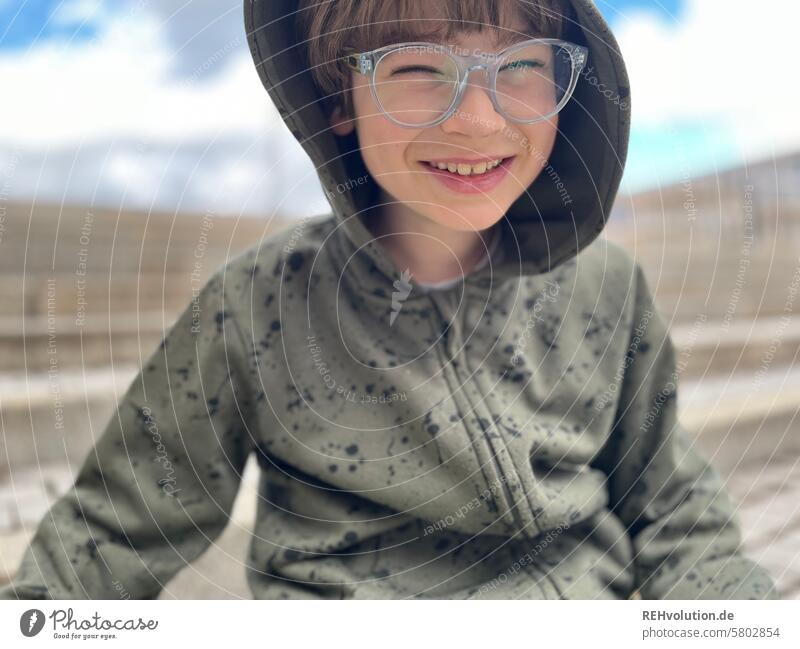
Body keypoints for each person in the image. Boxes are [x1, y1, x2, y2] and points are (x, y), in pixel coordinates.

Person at [1, 0, 778, 600]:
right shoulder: (256, 302)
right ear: (339, 100)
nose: (478, 120)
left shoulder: (610, 288)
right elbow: (111, 527)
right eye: (417, 71)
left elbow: (675, 505)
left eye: (519, 68)